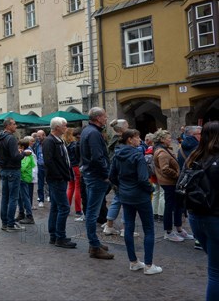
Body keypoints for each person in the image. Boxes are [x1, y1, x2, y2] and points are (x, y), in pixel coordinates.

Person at [109, 129, 162, 275]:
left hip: (125, 195)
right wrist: (149, 189)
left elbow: (112, 176)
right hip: (140, 195)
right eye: (137, 137)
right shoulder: (137, 155)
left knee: (129, 228)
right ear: (130, 140)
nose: (139, 140)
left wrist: (122, 187)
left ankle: (133, 262)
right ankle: (149, 265)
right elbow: (142, 178)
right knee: (148, 228)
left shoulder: (117, 154)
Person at [185, 121, 219, 301]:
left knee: (214, 268)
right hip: (215, 217)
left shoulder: (194, 157)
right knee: (216, 272)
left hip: (196, 216)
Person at [80, 107, 114, 259]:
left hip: (91, 175)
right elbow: (97, 157)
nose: (106, 119)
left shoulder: (88, 131)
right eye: (105, 116)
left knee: (92, 212)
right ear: (98, 118)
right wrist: (106, 174)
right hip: (96, 176)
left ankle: (95, 243)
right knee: (92, 213)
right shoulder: (93, 133)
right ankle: (94, 246)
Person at [153, 129, 194, 242]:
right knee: (170, 206)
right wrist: (177, 175)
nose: (170, 140)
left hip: (170, 182)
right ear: (162, 139)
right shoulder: (162, 152)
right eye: (168, 138)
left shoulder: (163, 150)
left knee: (177, 205)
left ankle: (179, 229)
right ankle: (169, 232)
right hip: (169, 182)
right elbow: (165, 169)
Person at [43, 117, 76, 249]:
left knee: (56, 207)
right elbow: (49, 162)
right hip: (57, 179)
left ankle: (54, 235)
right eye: (64, 126)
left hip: (59, 178)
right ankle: (60, 237)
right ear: (57, 127)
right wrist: (59, 176)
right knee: (64, 208)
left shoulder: (57, 140)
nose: (66, 128)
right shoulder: (50, 141)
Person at [0, 118, 29, 232]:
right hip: (13, 170)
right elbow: (15, 156)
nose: (16, 126)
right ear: (8, 126)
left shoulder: (0, 137)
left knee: (5, 197)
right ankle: (10, 224)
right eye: (14, 124)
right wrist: (24, 153)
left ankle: (5, 222)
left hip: (4, 169)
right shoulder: (11, 138)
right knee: (13, 198)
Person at [64, 128, 82, 217]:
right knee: (77, 187)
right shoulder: (75, 144)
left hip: (70, 167)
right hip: (76, 166)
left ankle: (67, 208)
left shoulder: (66, 145)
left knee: (71, 187)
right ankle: (78, 209)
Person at [18, 138, 36, 224]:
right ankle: (21, 213)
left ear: (21, 146)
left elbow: (24, 166)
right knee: (20, 197)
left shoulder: (28, 154)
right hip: (22, 177)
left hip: (24, 177)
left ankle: (29, 215)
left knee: (25, 196)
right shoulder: (25, 153)